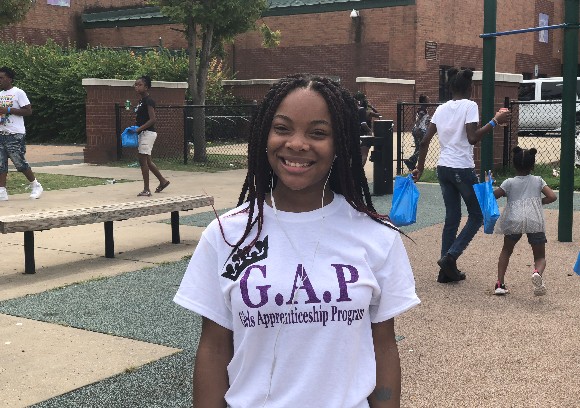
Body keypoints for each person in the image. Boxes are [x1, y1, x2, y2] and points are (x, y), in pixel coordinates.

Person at [174, 74, 420, 407]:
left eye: (318, 133)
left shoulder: (377, 236)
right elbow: (214, 348)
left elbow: (384, 346)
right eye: (283, 128)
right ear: (265, 135)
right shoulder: (226, 235)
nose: (297, 144)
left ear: (340, 144)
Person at [411, 68, 510, 284]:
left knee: (452, 217)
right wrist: (495, 121)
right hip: (461, 168)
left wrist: (419, 167)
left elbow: (425, 141)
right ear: (470, 88)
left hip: (443, 168)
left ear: (450, 88)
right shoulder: (470, 105)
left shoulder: (441, 109)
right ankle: (450, 257)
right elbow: (472, 138)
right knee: (476, 215)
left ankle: (445, 272)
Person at [492, 146, 557, 296]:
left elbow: (494, 195)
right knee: (540, 256)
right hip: (534, 218)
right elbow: (552, 196)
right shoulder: (538, 180)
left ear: (514, 165)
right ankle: (537, 273)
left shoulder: (509, 182)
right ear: (533, 165)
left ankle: (500, 284)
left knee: (506, 250)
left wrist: (489, 183)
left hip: (514, 218)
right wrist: (539, 202)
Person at [0, 66, 43, 201]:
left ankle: (36, 185)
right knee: (1, 163)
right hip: (1, 132)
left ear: (10, 79)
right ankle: (2, 191)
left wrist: (7, 109)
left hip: (15, 134)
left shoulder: (18, 93)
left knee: (19, 162)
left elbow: (28, 111)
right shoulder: (0, 94)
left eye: (2, 77)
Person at [133, 75, 169, 197]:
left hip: (148, 133)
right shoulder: (141, 101)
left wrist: (139, 129)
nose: (136, 87)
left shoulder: (149, 101)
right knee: (147, 161)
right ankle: (163, 181)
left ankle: (146, 189)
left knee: (142, 161)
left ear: (146, 87)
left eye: (140, 85)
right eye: (135, 85)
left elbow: (153, 119)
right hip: (143, 133)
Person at [404, 94, 431, 171]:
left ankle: (411, 164)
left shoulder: (422, 109)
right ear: (424, 102)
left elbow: (423, 119)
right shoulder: (423, 110)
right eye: (428, 101)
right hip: (420, 131)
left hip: (417, 130)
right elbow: (418, 120)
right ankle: (411, 160)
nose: (429, 102)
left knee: (418, 148)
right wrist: (418, 127)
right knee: (421, 148)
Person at [355, 92, 381, 166]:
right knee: (364, 154)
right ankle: (359, 171)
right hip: (365, 134)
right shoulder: (367, 112)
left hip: (357, 133)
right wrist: (370, 131)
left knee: (357, 155)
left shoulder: (355, 110)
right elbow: (379, 115)